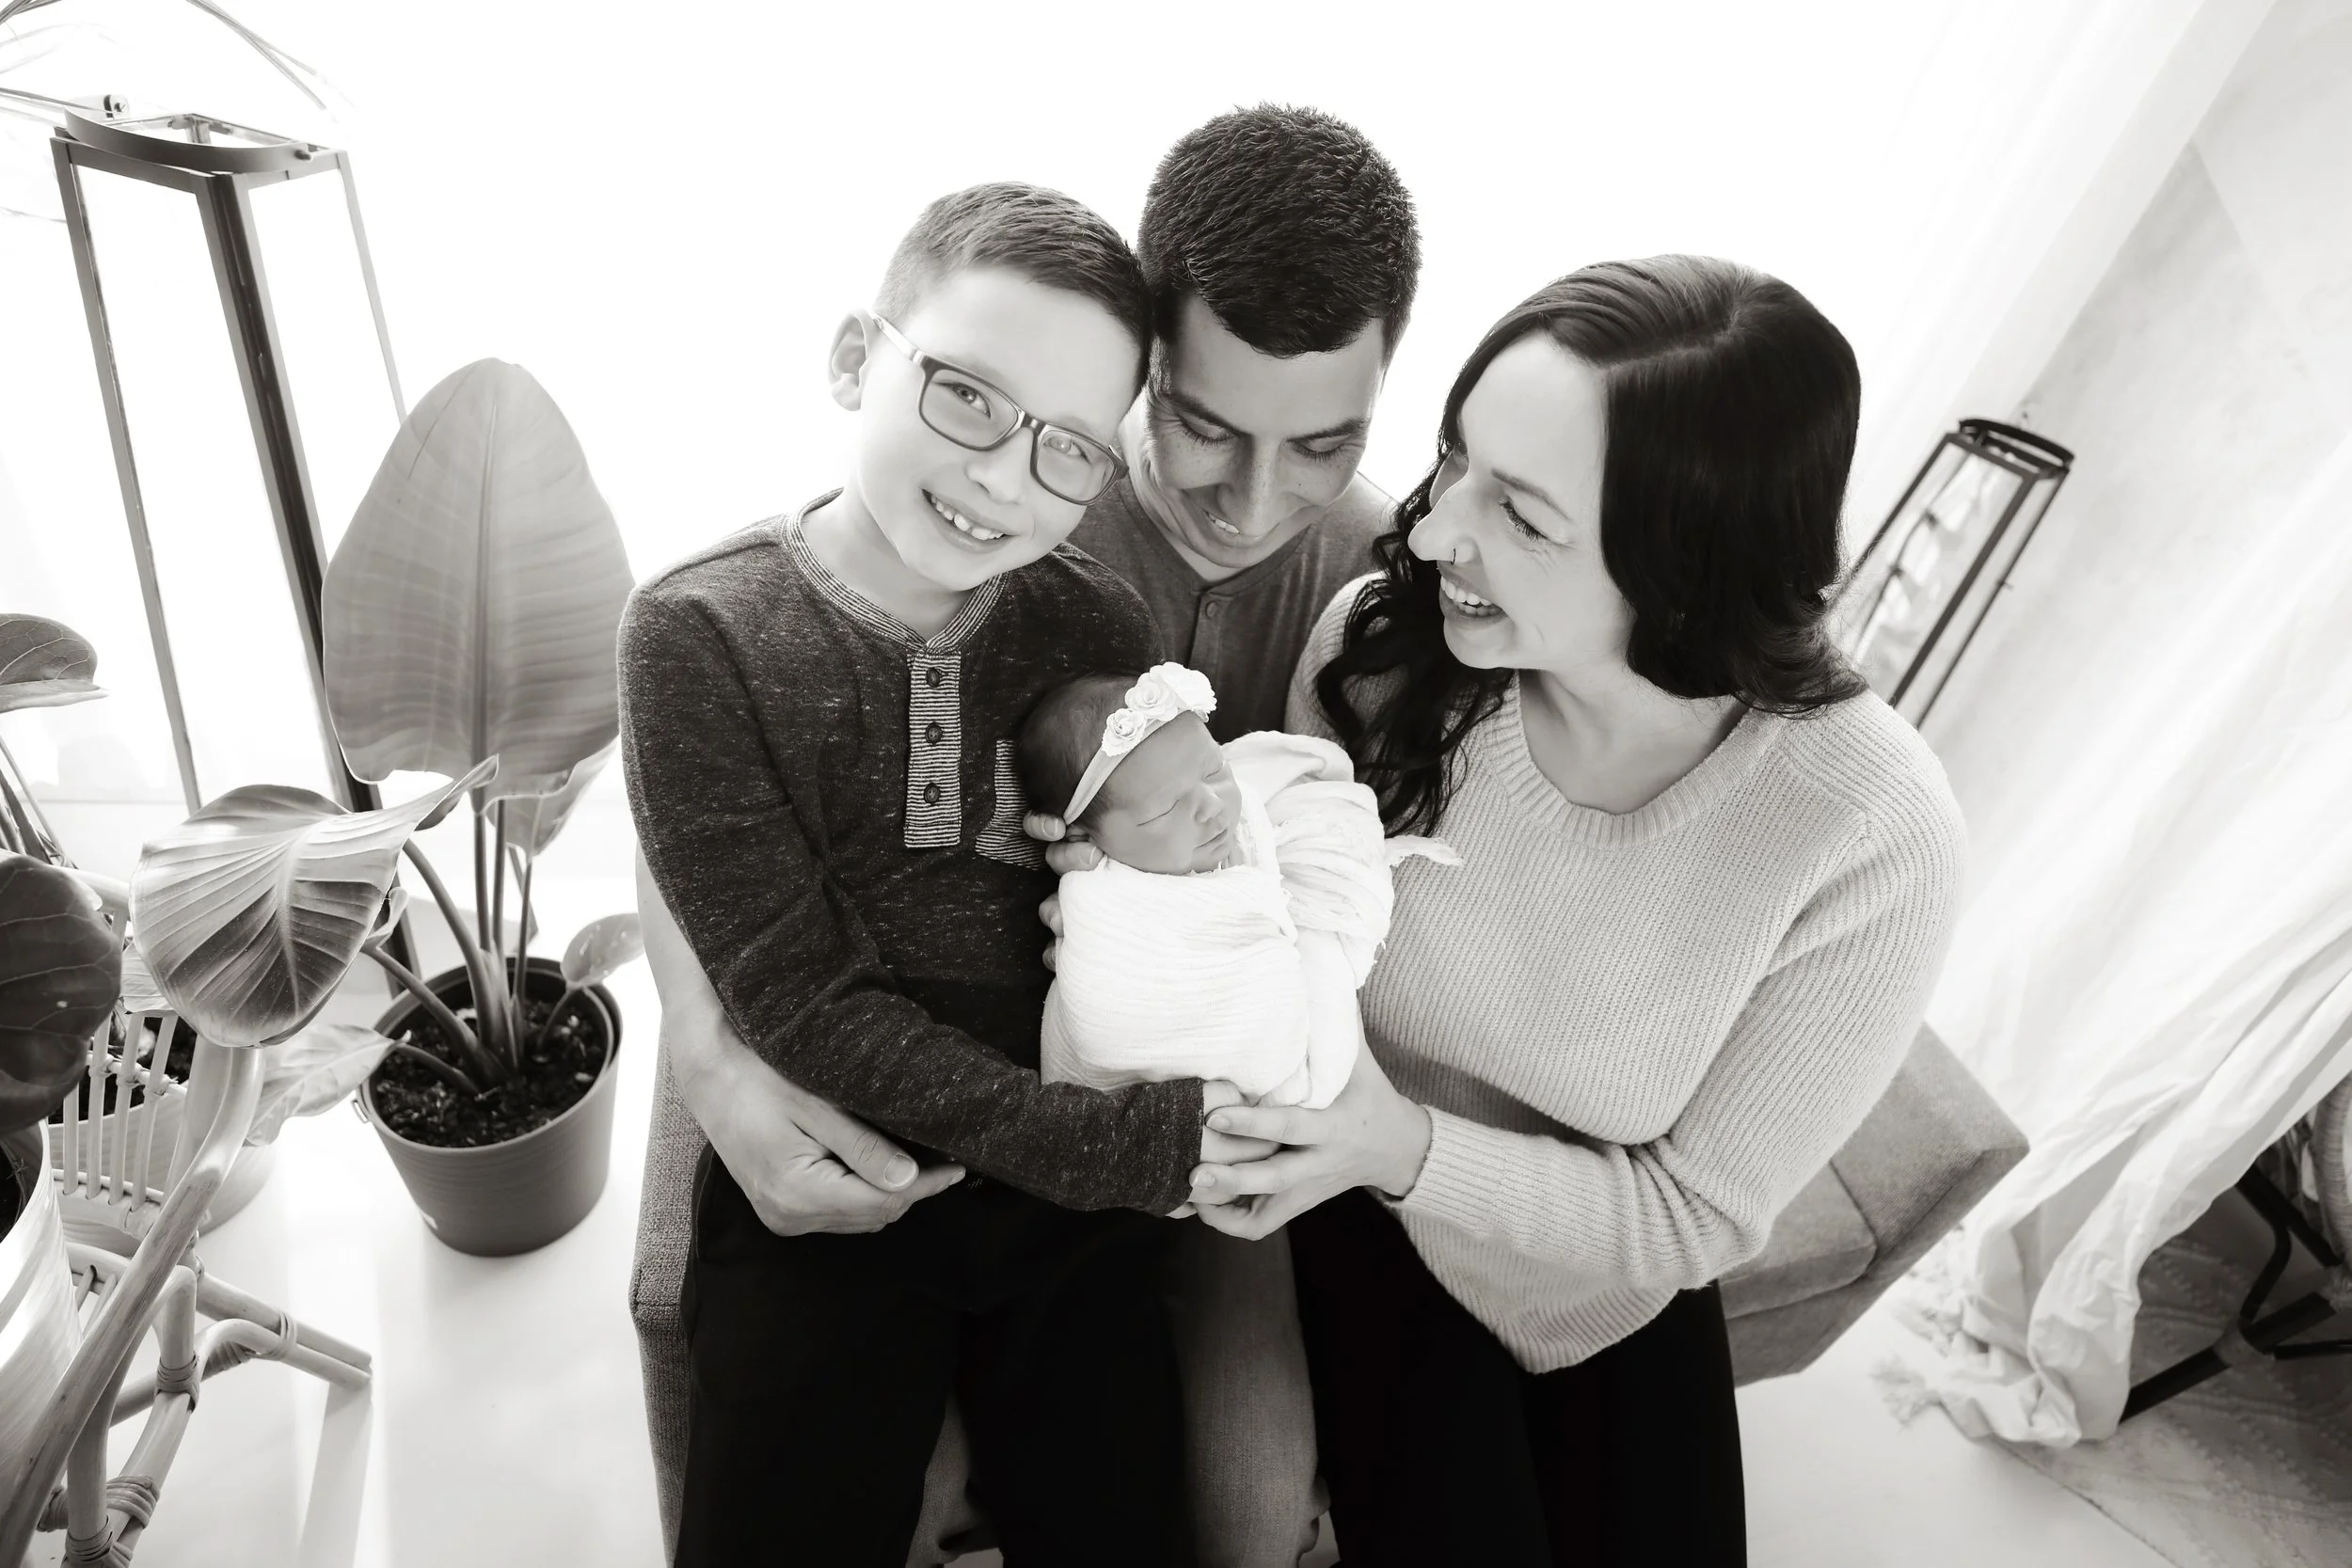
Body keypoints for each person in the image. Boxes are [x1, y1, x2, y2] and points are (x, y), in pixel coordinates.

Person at [629, 103, 1422, 1568]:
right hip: (968, 1127)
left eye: (1319, 443)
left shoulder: (1352, 587)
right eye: (1200, 425)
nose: (1254, 501)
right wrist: (706, 1045)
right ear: (1150, 384)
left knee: (1230, 1513)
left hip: (1152, 1116)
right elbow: (721, 834)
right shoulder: (947, 544)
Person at [1172, 256, 1969, 1566]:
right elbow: (1268, 945)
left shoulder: (1870, 833)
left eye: (1524, 518)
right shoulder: (1383, 652)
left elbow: (1693, 1216)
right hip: (1346, 1203)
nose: (1433, 535)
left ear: (1690, 567)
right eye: (1456, 461)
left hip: (1601, 1262)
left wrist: (1414, 1144)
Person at [1020, 661, 1452, 1111]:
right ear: (1084, 838)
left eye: (1214, 771)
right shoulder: (1104, 893)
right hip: (1129, 1107)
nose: (1212, 806)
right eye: (1164, 809)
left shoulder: (1246, 825)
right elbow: (1108, 1024)